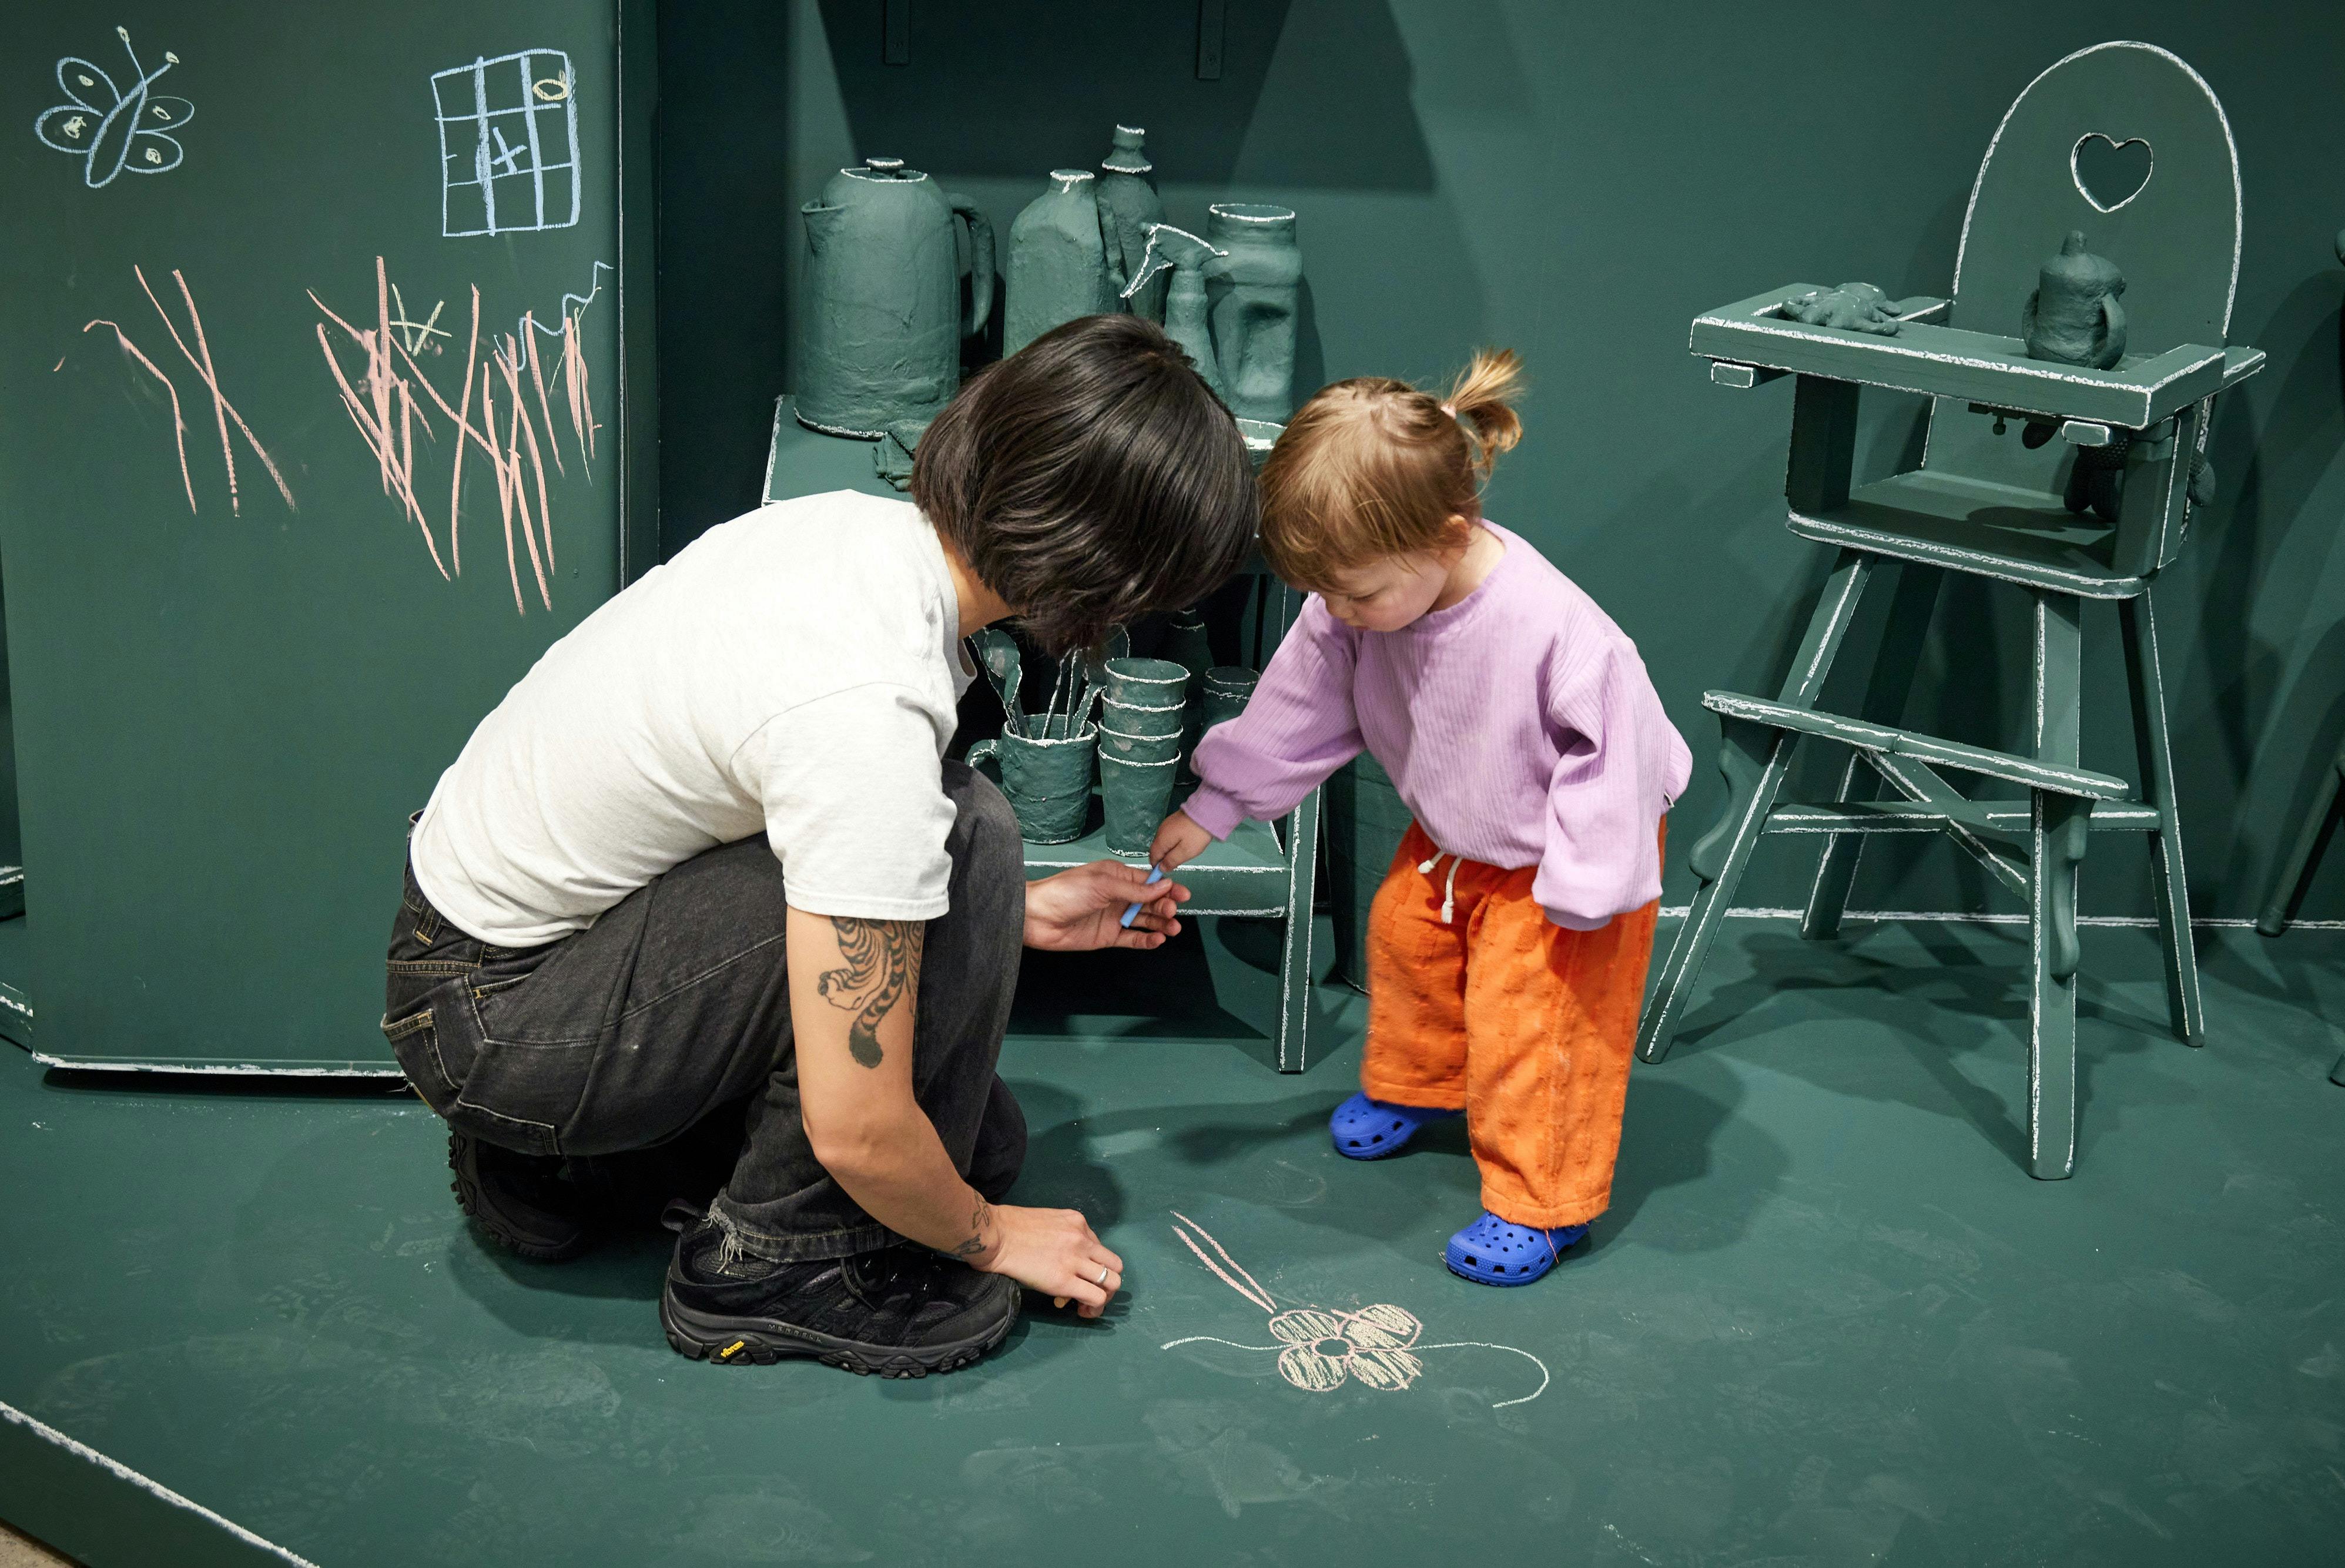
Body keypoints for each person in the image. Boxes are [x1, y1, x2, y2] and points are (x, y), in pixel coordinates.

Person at [383, 315, 1258, 1375]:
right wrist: (990, 1231)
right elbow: (857, 1127)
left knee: (978, 1125)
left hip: (502, 958)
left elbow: (790, 829)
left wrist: (1011, 917)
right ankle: (770, 1262)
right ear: (1103, 574)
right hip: (501, 1022)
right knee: (947, 1150)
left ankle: (575, 1167)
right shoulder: (867, 707)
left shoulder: (848, 533)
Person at [1150, 350, 1691, 1286]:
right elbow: (1301, 705)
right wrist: (1221, 801)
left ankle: (1541, 1202)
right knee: (1410, 954)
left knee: (1539, 1028)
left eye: (1359, 592)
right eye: (1328, 595)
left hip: (1570, 853)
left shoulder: (1558, 630)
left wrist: (1586, 889)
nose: (1344, 614)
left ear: (1449, 534)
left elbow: (1623, 762)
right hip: (1455, 837)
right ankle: (1426, 1086)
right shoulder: (1355, 612)